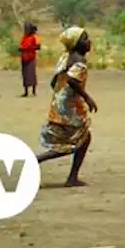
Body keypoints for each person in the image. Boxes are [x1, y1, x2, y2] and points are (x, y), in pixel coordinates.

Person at [35, 26, 98, 187]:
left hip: (60, 103)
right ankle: (36, 160)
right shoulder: (80, 61)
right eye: (84, 39)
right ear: (76, 44)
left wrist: (59, 94)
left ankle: (72, 177)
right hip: (70, 107)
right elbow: (72, 80)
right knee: (70, 143)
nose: (89, 42)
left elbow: (55, 80)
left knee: (83, 138)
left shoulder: (66, 57)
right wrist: (87, 97)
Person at [19, 22, 41, 97]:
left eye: (27, 28)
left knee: (31, 74)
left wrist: (27, 48)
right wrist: (21, 49)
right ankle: (26, 92)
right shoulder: (24, 37)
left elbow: (38, 47)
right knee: (25, 75)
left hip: (31, 58)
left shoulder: (35, 37)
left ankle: (34, 92)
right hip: (24, 58)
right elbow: (21, 45)